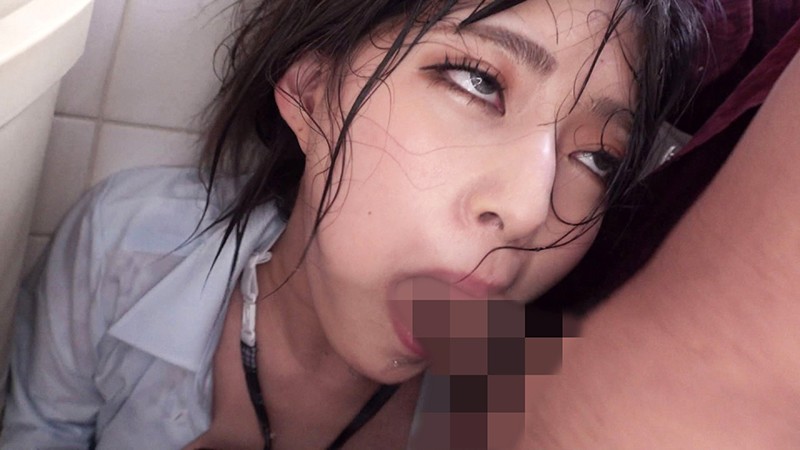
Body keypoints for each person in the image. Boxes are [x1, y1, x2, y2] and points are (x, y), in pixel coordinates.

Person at [0, 0, 703, 448]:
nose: (528, 210)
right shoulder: (128, 248)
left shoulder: (531, 412)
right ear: (311, 91)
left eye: (598, 158)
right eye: (478, 81)